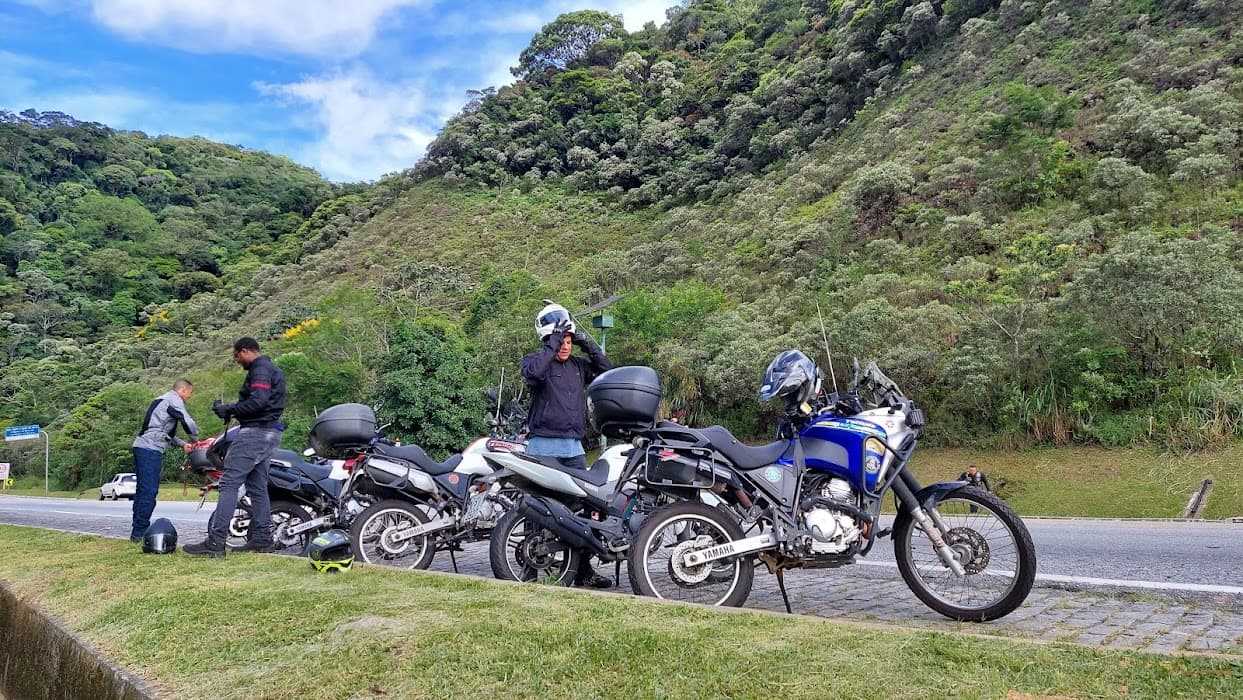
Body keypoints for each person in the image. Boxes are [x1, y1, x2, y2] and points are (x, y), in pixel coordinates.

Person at [520, 302, 613, 588]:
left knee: (582, 509)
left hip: (573, 449)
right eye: (561, 341)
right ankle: (529, 570)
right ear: (549, 340)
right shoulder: (535, 361)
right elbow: (534, 374)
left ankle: (583, 571)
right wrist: (553, 341)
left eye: (569, 341)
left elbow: (606, 370)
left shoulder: (578, 366)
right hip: (542, 447)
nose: (565, 346)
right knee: (537, 509)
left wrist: (586, 342)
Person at [185, 337, 286, 557]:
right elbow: (262, 402)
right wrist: (232, 410)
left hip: (255, 433)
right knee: (257, 487)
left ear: (245, 351)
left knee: (229, 483)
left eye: (237, 356)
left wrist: (229, 409)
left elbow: (258, 401)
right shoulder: (271, 369)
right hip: (270, 432)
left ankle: (216, 541)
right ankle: (262, 538)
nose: (237, 360)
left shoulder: (260, 370)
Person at [130, 379, 199, 543]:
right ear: (182, 390)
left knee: (142, 491)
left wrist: (183, 444)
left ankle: (137, 531)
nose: (189, 397)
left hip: (142, 446)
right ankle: (139, 533)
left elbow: (161, 431)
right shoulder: (173, 400)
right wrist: (195, 439)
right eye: (189, 393)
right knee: (149, 491)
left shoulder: (162, 400)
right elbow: (187, 421)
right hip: (150, 449)